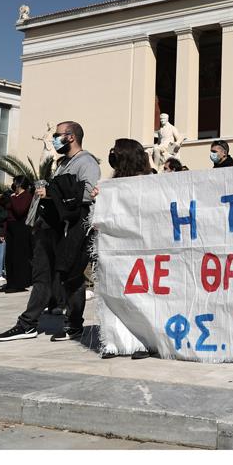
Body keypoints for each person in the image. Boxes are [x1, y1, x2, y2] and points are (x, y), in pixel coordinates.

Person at [0, 121, 100, 343]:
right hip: (49, 228)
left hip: (70, 230)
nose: (53, 139)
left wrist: (52, 192)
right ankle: (28, 323)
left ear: (70, 137)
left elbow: (89, 194)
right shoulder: (63, 163)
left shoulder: (86, 162)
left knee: (72, 278)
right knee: (41, 276)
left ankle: (73, 325)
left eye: (57, 135)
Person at [95, 138, 158, 359]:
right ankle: (115, 341)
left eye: (115, 151)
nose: (112, 154)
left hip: (144, 248)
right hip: (117, 249)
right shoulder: (111, 184)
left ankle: (145, 342)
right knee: (115, 293)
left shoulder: (151, 181)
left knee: (143, 296)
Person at [1, 175, 33, 293]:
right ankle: (11, 282)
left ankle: (19, 283)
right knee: (10, 256)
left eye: (16, 183)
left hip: (21, 228)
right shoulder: (14, 196)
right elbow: (6, 211)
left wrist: (12, 199)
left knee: (19, 256)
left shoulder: (27, 196)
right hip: (11, 227)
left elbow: (20, 210)